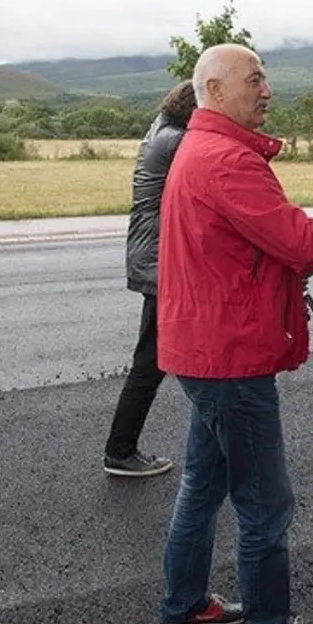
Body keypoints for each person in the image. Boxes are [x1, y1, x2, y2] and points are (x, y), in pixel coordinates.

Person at [157, 44, 313, 624]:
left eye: (265, 77)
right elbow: (297, 241)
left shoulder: (200, 148)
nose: (267, 89)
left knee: (203, 485)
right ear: (215, 91)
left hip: (204, 347)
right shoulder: (226, 159)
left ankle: (184, 604)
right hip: (229, 356)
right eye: (255, 79)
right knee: (265, 506)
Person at [102, 80, 196, 478]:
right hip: (161, 261)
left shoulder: (162, 131)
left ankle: (122, 449)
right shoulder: (176, 142)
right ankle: (120, 451)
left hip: (153, 256)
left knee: (163, 358)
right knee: (153, 362)